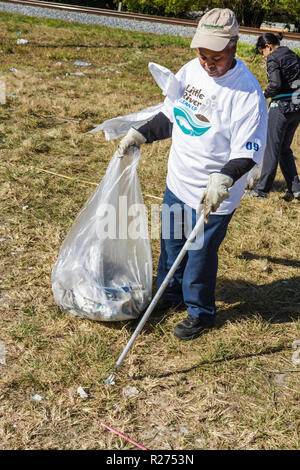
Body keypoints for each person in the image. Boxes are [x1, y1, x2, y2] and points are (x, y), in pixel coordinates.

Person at [116, 8, 268, 340]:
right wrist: (141, 134)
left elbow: (249, 150)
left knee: (198, 254)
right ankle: (168, 295)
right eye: (202, 55)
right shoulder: (190, 72)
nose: (208, 63)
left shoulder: (246, 93)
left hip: (213, 193)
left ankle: (200, 312)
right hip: (179, 182)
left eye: (216, 56)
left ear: (233, 48)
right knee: (171, 246)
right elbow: (172, 115)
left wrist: (225, 178)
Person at [247, 32, 300, 200]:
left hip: (282, 107)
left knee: (272, 148)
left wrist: (263, 94)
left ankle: (261, 190)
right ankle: (296, 189)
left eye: (262, 52)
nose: (264, 57)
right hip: (297, 107)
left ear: (268, 47)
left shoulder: (273, 58)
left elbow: (275, 84)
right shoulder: (292, 54)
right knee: (284, 149)